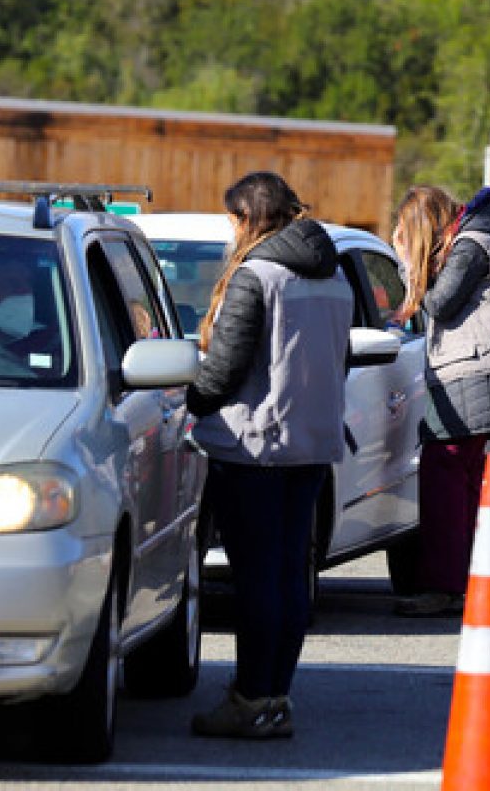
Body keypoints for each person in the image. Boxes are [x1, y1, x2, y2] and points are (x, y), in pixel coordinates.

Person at [186, 171, 353, 739]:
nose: (229, 229)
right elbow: (341, 359)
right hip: (310, 446)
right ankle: (275, 694)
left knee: (256, 579)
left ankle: (251, 697)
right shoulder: (333, 276)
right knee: (286, 578)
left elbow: (225, 368)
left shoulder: (257, 275)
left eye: (231, 218)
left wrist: (191, 399)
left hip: (252, 448)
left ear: (247, 218)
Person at [391, 185, 490, 618]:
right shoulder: (480, 240)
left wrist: (405, 263)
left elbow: (438, 303)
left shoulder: (470, 247)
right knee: (463, 478)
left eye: (406, 232)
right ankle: (465, 579)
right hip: (484, 368)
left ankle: (442, 585)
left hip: (474, 370)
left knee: (444, 474)